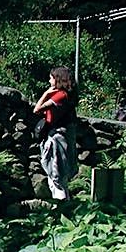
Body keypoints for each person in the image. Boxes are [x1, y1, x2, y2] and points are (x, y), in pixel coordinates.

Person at [33, 65, 78, 200]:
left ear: (58, 80)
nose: (49, 81)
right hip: (63, 136)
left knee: (56, 176)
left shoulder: (59, 96)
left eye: (51, 78)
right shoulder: (68, 96)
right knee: (59, 177)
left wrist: (46, 93)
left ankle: (61, 209)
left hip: (57, 137)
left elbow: (37, 109)